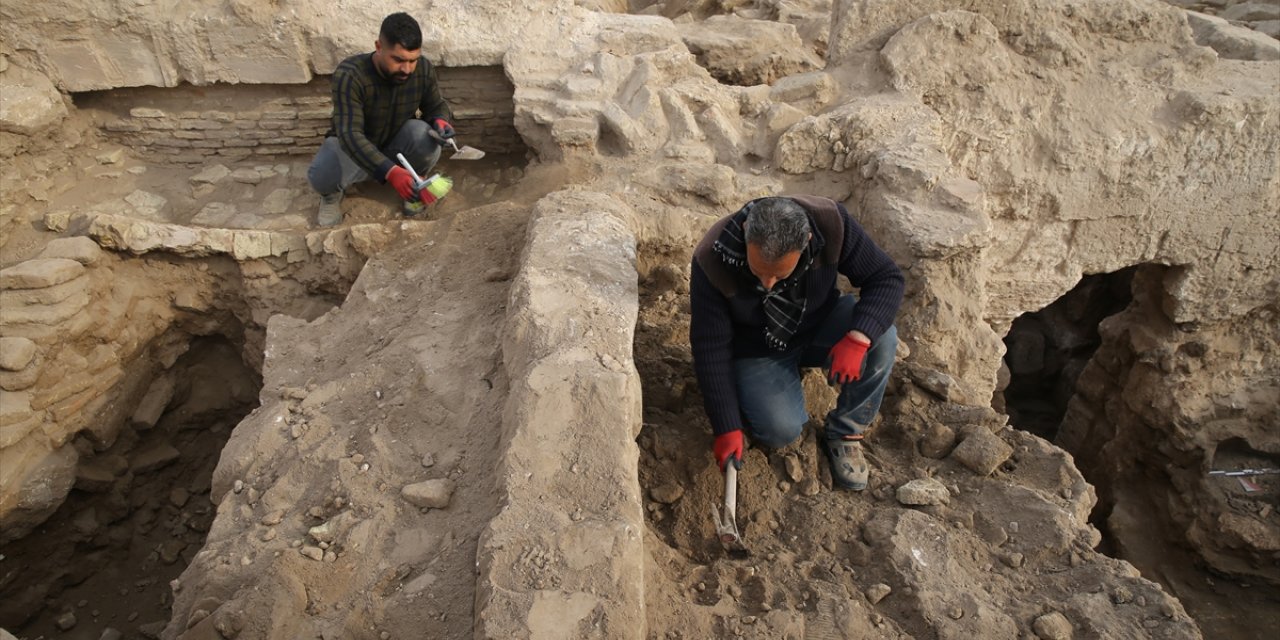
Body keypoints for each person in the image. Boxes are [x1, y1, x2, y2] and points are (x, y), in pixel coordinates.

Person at [689, 196, 904, 490]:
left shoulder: (832, 224)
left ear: (807, 242)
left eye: (780, 274)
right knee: (780, 431)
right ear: (744, 229)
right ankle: (765, 388)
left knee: (883, 337)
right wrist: (726, 424)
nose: (767, 284)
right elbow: (710, 347)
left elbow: (886, 278)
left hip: (818, 322)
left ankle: (847, 431)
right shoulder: (712, 258)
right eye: (758, 271)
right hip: (757, 348)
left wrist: (858, 338)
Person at [306, 12, 455, 226]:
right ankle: (331, 196)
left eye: (413, 60)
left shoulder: (422, 69)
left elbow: (435, 105)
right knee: (321, 173)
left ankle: (414, 184)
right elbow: (350, 135)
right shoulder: (351, 75)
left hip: (396, 144)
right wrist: (392, 172)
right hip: (355, 151)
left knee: (424, 136)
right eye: (398, 60)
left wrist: (441, 120)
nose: (407, 69)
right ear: (378, 46)